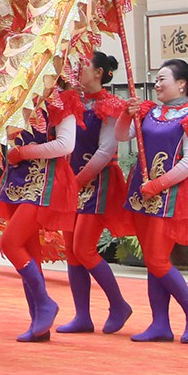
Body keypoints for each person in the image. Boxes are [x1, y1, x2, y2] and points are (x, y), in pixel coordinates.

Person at [111, 59, 188, 344]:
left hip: (170, 196)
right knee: (153, 260)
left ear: (181, 84)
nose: (156, 85)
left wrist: (157, 185)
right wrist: (126, 115)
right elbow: (121, 136)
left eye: (162, 79)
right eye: (156, 80)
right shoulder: (148, 111)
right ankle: (160, 324)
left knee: (157, 259)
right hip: (142, 195)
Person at [0, 79, 81, 342]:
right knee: (28, 250)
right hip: (17, 179)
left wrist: (23, 153)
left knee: (10, 243)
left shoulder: (62, 99)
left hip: (46, 179)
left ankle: (44, 303)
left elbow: (65, 145)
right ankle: (38, 323)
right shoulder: (17, 94)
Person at [60, 51, 134, 334]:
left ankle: (118, 304)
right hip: (72, 181)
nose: (77, 69)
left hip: (98, 182)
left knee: (84, 248)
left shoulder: (111, 105)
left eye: (84, 65)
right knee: (71, 251)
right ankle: (82, 316)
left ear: (99, 72)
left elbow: (106, 150)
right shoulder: (72, 102)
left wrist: (78, 181)